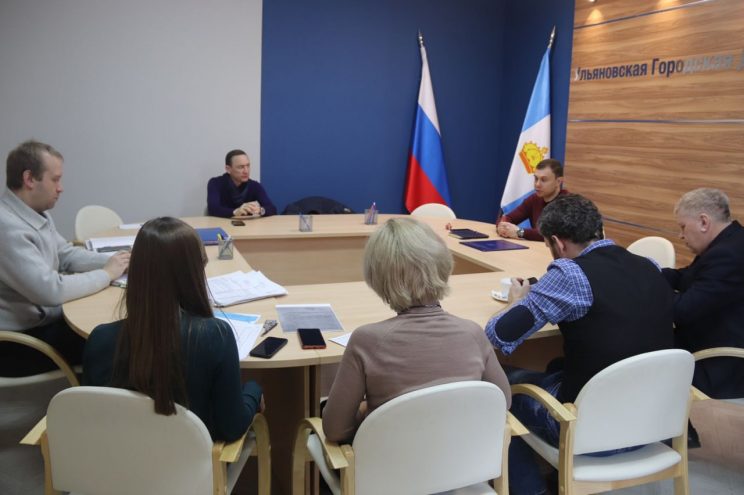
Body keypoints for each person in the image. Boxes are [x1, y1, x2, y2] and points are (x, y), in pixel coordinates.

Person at [485, 194, 673, 495]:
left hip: (593, 430)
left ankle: (532, 490)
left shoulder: (570, 274)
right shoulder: (649, 265)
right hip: (656, 421)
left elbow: (499, 335)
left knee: (495, 388)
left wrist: (517, 302)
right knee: (555, 366)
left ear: (557, 244)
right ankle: (554, 473)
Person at [322, 217, 511, 443]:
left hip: (388, 463)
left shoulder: (366, 341)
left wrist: (367, 413)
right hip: (463, 460)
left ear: (377, 277)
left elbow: (335, 430)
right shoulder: (473, 333)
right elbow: (503, 402)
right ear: (443, 265)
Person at [83, 217, 263, 441]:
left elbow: (93, 419)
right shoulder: (215, 336)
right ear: (193, 274)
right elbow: (231, 428)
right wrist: (254, 390)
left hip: (118, 459)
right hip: (194, 462)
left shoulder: (100, 338)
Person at [0, 140, 129, 376]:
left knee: (117, 327)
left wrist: (120, 261)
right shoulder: (6, 227)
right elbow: (50, 290)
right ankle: (94, 396)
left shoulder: (35, 213)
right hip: (19, 342)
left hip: (44, 322)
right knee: (116, 342)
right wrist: (106, 273)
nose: (60, 188)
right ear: (29, 179)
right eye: (55, 179)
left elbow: (66, 255)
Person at [662, 188, 744, 399]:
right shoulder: (730, 241)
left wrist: (646, 289)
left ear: (704, 222)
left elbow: (681, 310)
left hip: (719, 363)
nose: (681, 235)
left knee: (637, 349)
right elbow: (688, 277)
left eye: (683, 226)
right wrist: (649, 272)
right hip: (710, 338)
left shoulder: (728, 254)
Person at [497, 159, 568, 241]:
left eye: (544, 180)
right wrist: (503, 226)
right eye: (536, 178)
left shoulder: (567, 203)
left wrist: (519, 232)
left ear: (558, 181)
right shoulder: (534, 199)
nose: (537, 184)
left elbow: (551, 234)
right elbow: (509, 217)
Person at [207, 149, 277, 218]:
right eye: (241, 167)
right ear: (228, 169)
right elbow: (213, 209)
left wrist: (260, 210)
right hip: (222, 223)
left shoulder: (254, 185)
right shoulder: (215, 183)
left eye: (248, 166)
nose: (246, 171)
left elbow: (272, 208)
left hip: (247, 224)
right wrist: (235, 212)